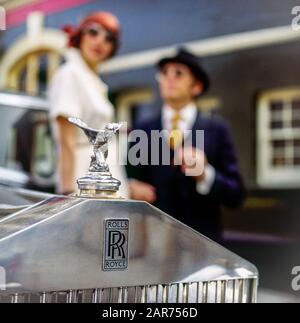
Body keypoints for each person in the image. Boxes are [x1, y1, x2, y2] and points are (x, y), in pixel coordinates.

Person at [128, 48, 246, 242]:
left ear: (197, 86)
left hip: (203, 245)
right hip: (155, 245)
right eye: (164, 73)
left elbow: (236, 195)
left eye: (179, 73)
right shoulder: (143, 130)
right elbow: (129, 180)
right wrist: (131, 188)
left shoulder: (217, 129)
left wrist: (205, 174)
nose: (169, 78)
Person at [49, 11, 128, 197]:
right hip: (84, 179)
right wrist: (68, 192)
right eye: (93, 32)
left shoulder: (94, 82)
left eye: (109, 38)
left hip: (105, 176)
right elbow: (66, 141)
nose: (100, 41)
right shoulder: (69, 74)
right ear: (80, 35)